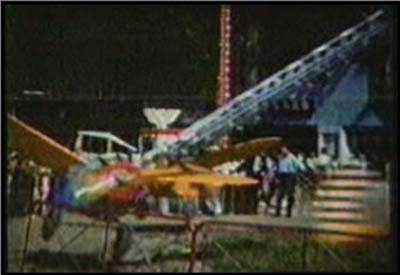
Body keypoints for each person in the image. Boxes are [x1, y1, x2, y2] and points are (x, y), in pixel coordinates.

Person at [274, 146, 305, 217]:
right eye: (282, 150)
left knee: (290, 194)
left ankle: (288, 212)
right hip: (282, 176)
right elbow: (277, 167)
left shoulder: (292, 157)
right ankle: (277, 211)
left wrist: (298, 171)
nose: (283, 151)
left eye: (285, 150)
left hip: (290, 176)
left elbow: (300, 166)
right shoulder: (280, 158)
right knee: (279, 194)